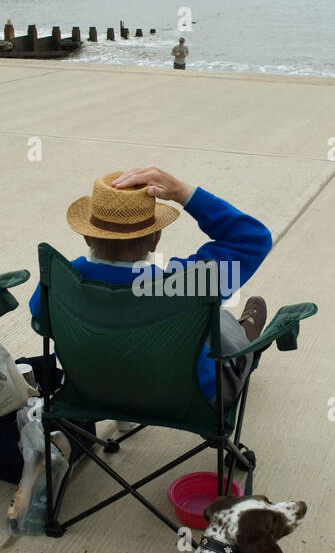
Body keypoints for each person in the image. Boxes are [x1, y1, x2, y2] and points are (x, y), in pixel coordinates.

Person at [28, 166, 272, 407]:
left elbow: (41, 318)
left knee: (210, 321)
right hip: (189, 400)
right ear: (155, 239)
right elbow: (253, 237)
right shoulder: (187, 284)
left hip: (92, 392)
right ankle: (247, 337)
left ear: (87, 236)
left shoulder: (58, 281)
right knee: (217, 321)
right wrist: (182, 192)